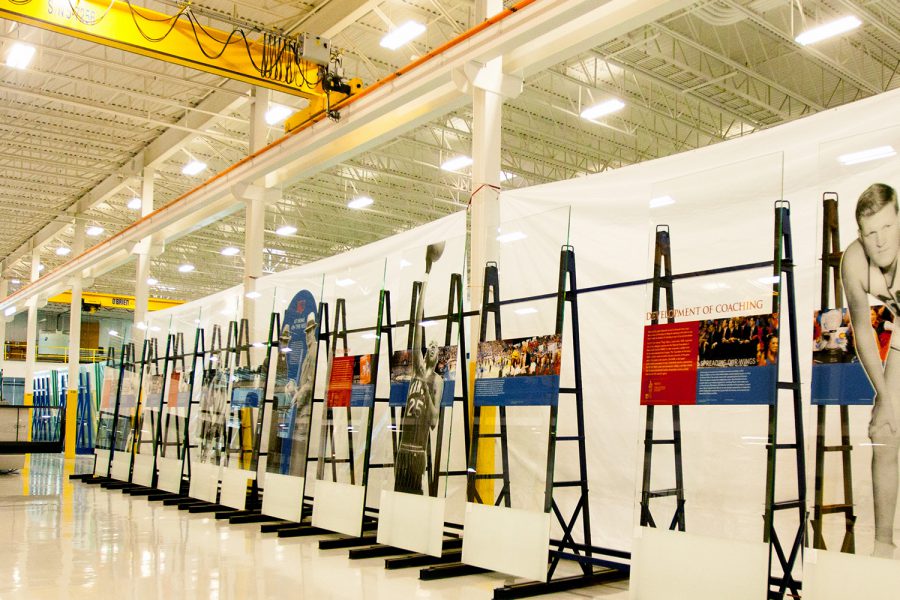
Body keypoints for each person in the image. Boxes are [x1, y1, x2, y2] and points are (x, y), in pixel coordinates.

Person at [841, 182, 900, 558]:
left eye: (888, 228)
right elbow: (863, 329)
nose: (880, 241)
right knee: (885, 426)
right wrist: (886, 396)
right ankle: (883, 543)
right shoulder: (854, 260)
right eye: (870, 233)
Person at [394, 242, 445, 495]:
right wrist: (425, 278)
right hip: (404, 448)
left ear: (439, 355)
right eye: (431, 345)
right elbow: (416, 332)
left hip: (419, 450)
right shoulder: (416, 368)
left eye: (437, 347)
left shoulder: (436, 381)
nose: (433, 347)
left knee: (416, 494)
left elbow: (434, 421)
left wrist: (425, 390)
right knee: (400, 495)